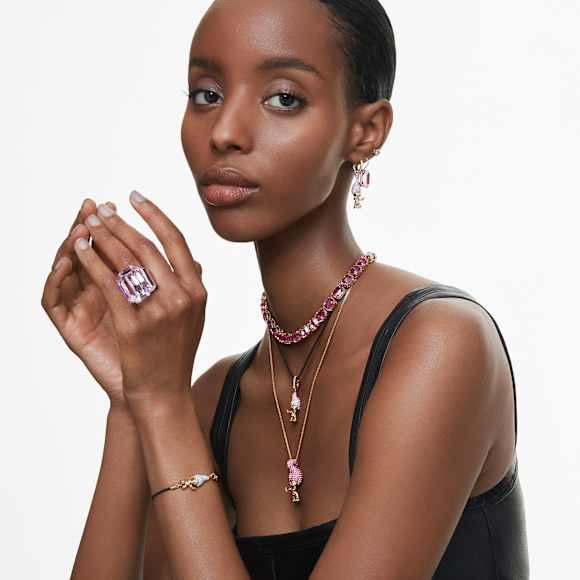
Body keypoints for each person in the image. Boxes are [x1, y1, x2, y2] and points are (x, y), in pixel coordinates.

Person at [41, 0, 530, 578]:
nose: (224, 133)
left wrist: (164, 407)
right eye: (207, 94)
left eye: (283, 99)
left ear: (366, 131)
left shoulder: (442, 346)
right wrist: (134, 401)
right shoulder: (212, 402)